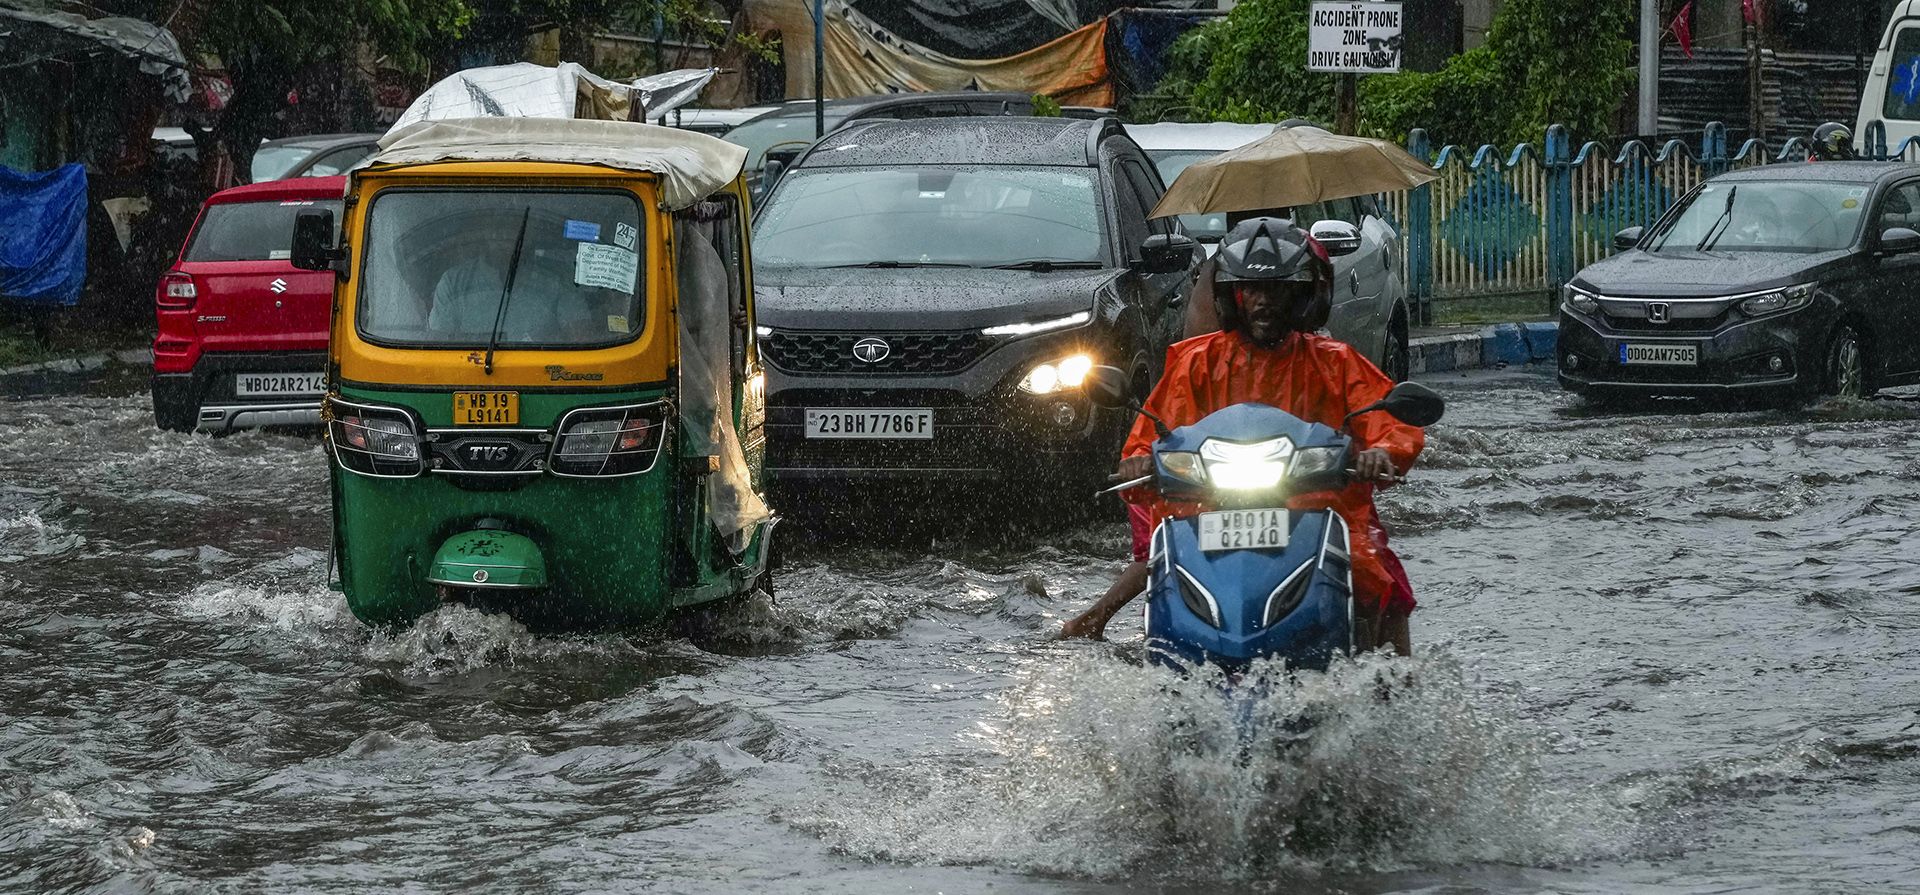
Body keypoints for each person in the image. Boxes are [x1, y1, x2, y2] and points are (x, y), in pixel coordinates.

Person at [1058, 217, 1425, 653]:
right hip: (1209, 505)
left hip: (1317, 508)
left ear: (1303, 295)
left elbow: (1389, 422)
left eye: (1276, 289)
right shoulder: (1197, 363)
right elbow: (1150, 432)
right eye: (1250, 289)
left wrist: (1379, 452)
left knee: (1373, 571)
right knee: (1164, 571)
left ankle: (1391, 682)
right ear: (1231, 296)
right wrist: (1139, 460)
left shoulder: (1336, 362)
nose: (1262, 300)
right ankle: (1167, 656)